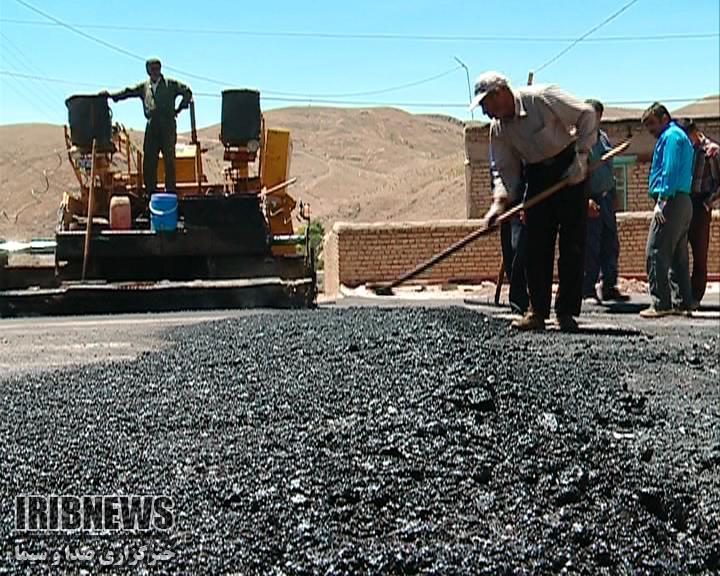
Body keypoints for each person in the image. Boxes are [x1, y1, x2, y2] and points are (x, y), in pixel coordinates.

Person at [470, 71, 597, 332]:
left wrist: (581, 157)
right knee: (535, 246)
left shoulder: (541, 98)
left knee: (573, 245)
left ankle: (566, 313)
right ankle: (537, 311)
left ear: (500, 93)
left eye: (485, 105)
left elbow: (587, 114)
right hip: (537, 177)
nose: (485, 113)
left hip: (569, 169)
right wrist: (498, 204)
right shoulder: (499, 129)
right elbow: (504, 170)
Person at [101, 58, 192, 194]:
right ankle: (151, 191)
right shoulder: (144, 87)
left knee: (169, 159)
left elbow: (187, 92)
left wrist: (178, 109)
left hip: (167, 125)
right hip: (152, 125)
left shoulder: (170, 84)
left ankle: (170, 190)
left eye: (157, 68)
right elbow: (128, 92)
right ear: (148, 71)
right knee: (149, 159)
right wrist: (111, 95)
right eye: (152, 69)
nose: (155, 71)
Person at [640, 103, 694, 318]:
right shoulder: (681, 136)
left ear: (664, 118)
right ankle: (682, 302)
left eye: (652, 124)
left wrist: (662, 200)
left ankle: (661, 304)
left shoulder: (671, 137)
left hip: (671, 201)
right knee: (678, 257)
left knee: (655, 251)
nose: (651, 130)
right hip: (683, 201)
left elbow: (669, 170)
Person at [583, 99, 629, 303]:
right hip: (591, 199)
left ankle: (609, 285)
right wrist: (585, 200)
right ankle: (587, 289)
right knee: (591, 244)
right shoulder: (579, 140)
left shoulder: (602, 137)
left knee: (610, 243)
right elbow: (577, 174)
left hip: (606, 198)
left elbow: (609, 168)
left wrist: (614, 194)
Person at [680, 118, 720, 307]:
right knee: (679, 249)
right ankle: (681, 294)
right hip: (685, 202)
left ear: (694, 132)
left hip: (701, 203)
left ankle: (696, 296)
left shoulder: (711, 151)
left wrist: (709, 202)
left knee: (699, 252)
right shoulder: (684, 150)